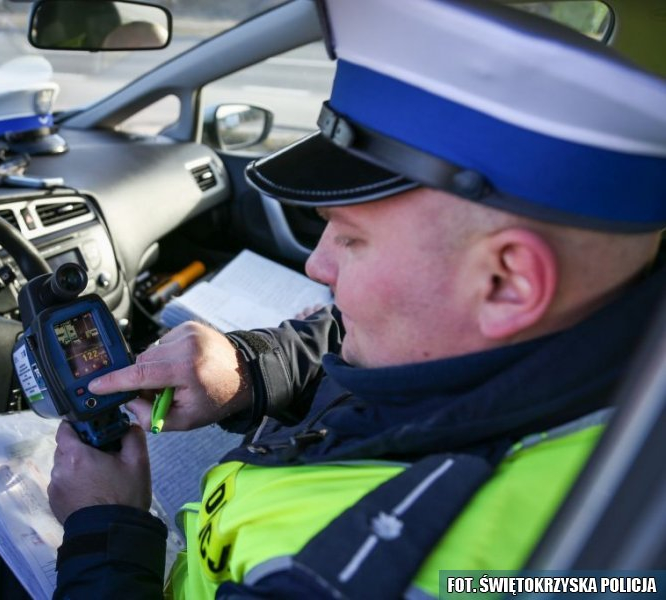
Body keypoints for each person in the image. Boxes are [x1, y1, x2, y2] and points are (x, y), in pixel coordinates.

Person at [47, 0, 666, 598]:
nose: (319, 264)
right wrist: (250, 370)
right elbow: (379, 350)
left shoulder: (361, 577)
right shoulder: (603, 339)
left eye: (351, 236)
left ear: (508, 283)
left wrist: (103, 529)